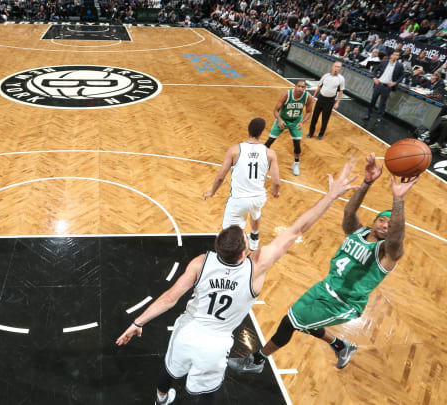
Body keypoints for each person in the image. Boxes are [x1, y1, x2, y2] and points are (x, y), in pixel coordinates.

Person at [115, 161, 361, 405]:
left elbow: (170, 298)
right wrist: (331, 195)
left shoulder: (201, 262)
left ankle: (160, 399)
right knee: (206, 393)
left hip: (187, 332)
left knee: (170, 370)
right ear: (244, 253)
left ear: (217, 247)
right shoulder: (257, 267)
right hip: (215, 344)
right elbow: (298, 230)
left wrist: (138, 322)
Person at [228, 154, 419, 374]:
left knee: (290, 321)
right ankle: (342, 346)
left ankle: (256, 361)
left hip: (343, 302)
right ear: (374, 221)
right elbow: (349, 212)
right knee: (305, 322)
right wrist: (367, 183)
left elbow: (396, 239)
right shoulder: (358, 231)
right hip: (325, 287)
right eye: (382, 219)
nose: (385, 225)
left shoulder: (387, 253)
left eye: (390, 223)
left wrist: (399, 200)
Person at [203, 118, 280, 250]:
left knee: (228, 234)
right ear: (262, 133)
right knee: (256, 213)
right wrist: (275, 191)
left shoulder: (234, 150)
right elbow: (276, 182)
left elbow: (221, 177)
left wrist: (212, 192)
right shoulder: (270, 153)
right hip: (258, 198)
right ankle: (254, 238)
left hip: (238, 200)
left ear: (248, 131)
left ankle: (235, 255)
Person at [265, 80, 314, 176]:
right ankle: (261, 160)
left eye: (302, 87)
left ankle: (296, 164)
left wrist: (302, 122)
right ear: (295, 86)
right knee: (270, 141)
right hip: (283, 119)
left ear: (305, 88)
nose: (300, 89)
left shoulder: (308, 97)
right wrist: (279, 120)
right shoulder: (287, 95)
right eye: (299, 86)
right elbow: (275, 110)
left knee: (297, 145)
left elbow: (309, 112)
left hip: (296, 121)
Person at [308, 61, 345, 140]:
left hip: (330, 101)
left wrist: (337, 102)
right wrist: (313, 96)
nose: (337, 68)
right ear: (332, 67)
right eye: (336, 66)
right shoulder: (325, 76)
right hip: (321, 98)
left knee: (325, 118)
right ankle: (311, 133)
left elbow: (341, 91)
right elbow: (319, 86)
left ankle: (320, 134)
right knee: (315, 116)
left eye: (338, 67)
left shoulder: (341, 79)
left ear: (340, 69)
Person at [365, 51, 406, 123]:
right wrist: (374, 78)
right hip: (378, 84)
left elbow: (402, 76)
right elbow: (375, 70)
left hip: (387, 87)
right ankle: (368, 114)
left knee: (382, 103)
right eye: (395, 55)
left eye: (398, 55)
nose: (396, 56)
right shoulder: (384, 62)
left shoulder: (399, 66)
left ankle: (379, 117)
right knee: (373, 101)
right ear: (391, 55)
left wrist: (395, 82)